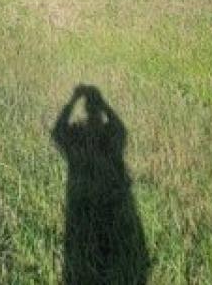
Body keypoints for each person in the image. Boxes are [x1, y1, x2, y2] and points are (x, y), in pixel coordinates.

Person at [52, 85, 149, 285]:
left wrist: (73, 100)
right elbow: (120, 130)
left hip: (82, 203)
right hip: (112, 198)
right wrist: (103, 103)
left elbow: (58, 133)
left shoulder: (79, 144)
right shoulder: (112, 140)